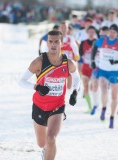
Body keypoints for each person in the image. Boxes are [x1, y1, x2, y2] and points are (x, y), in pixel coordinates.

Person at [19, 30, 81, 160]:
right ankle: (45, 151)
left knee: (51, 138)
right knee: (42, 143)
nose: (53, 45)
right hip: (39, 106)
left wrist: (75, 92)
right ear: (47, 43)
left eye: (56, 42)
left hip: (57, 107)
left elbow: (77, 78)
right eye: (50, 42)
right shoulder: (39, 62)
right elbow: (22, 81)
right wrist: (37, 87)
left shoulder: (68, 63)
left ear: (62, 43)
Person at [91, 24, 118, 129]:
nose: (112, 34)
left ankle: (112, 117)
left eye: (114, 32)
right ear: (108, 31)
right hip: (103, 71)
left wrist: (117, 61)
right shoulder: (103, 40)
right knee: (104, 91)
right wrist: (92, 60)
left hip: (115, 72)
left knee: (114, 96)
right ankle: (104, 108)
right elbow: (95, 46)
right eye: (111, 31)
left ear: (117, 33)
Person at [90, 26, 109, 115]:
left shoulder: (110, 43)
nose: (104, 37)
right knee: (94, 85)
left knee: (104, 88)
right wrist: (92, 61)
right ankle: (95, 104)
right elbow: (92, 53)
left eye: (106, 35)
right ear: (100, 33)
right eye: (102, 35)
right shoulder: (96, 42)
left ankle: (104, 106)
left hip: (106, 68)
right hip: (97, 67)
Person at [79, 26, 97, 113]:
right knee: (85, 86)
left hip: (95, 68)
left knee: (93, 87)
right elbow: (80, 55)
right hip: (86, 67)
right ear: (87, 32)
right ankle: (89, 106)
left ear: (95, 33)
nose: (91, 33)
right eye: (89, 32)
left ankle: (95, 104)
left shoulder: (98, 42)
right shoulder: (83, 43)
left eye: (93, 32)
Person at [59, 21, 80, 89]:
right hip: (58, 62)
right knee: (60, 79)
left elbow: (75, 48)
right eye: (62, 27)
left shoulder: (70, 38)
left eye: (65, 27)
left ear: (67, 29)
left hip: (69, 61)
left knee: (69, 78)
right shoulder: (56, 38)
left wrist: (76, 57)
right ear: (59, 28)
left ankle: (68, 93)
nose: (63, 29)